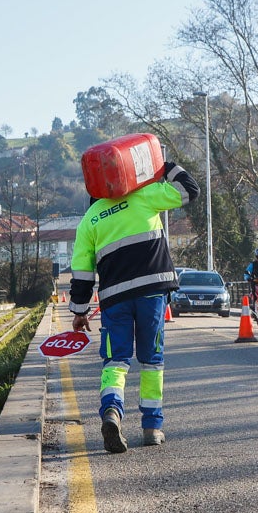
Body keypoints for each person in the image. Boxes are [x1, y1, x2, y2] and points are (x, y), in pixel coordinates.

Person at [70, 160, 199, 453]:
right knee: (152, 361)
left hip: (115, 301)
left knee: (116, 361)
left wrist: (79, 312)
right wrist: (162, 166)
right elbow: (190, 190)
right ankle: (152, 428)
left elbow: (82, 273)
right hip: (152, 295)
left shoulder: (90, 219)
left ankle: (112, 412)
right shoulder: (145, 196)